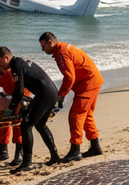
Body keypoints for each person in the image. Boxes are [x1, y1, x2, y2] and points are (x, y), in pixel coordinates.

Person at [39, 32, 104, 162]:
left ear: (50, 42)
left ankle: (75, 150)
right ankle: (95, 147)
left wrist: (61, 95)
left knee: (76, 115)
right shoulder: (63, 49)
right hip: (93, 80)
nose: (42, 49)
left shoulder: (62, 52)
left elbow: (69, 77)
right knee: (87, 115)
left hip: (88, 83)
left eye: (43, 46)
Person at [0, 46, 59, 173]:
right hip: (51, 93)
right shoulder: (19, 62)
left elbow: (19, 91)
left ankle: (27, 163)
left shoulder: (16, 66)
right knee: (40, 125)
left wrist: (12, 107)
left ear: (6, 57)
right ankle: (54, 155)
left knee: (25, 126)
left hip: (45, 95)